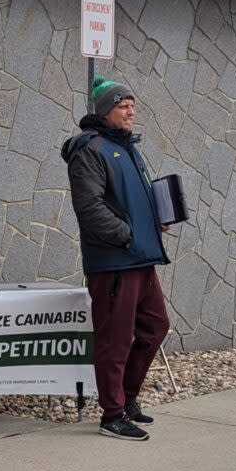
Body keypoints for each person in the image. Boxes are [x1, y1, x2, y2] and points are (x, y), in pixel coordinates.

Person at [60, 76, 171, 442]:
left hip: (141, 258)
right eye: (124, 105)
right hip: (115, 262)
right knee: (115, 339)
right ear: (106, 110)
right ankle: (112, 414)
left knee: (155, 326)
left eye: (132, 105)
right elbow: (89, 208)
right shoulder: (90, 149)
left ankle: (127, 399)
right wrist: (128, 235)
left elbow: (130, 201)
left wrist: (155, 221)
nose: (131, 111)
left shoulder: (127, 148)